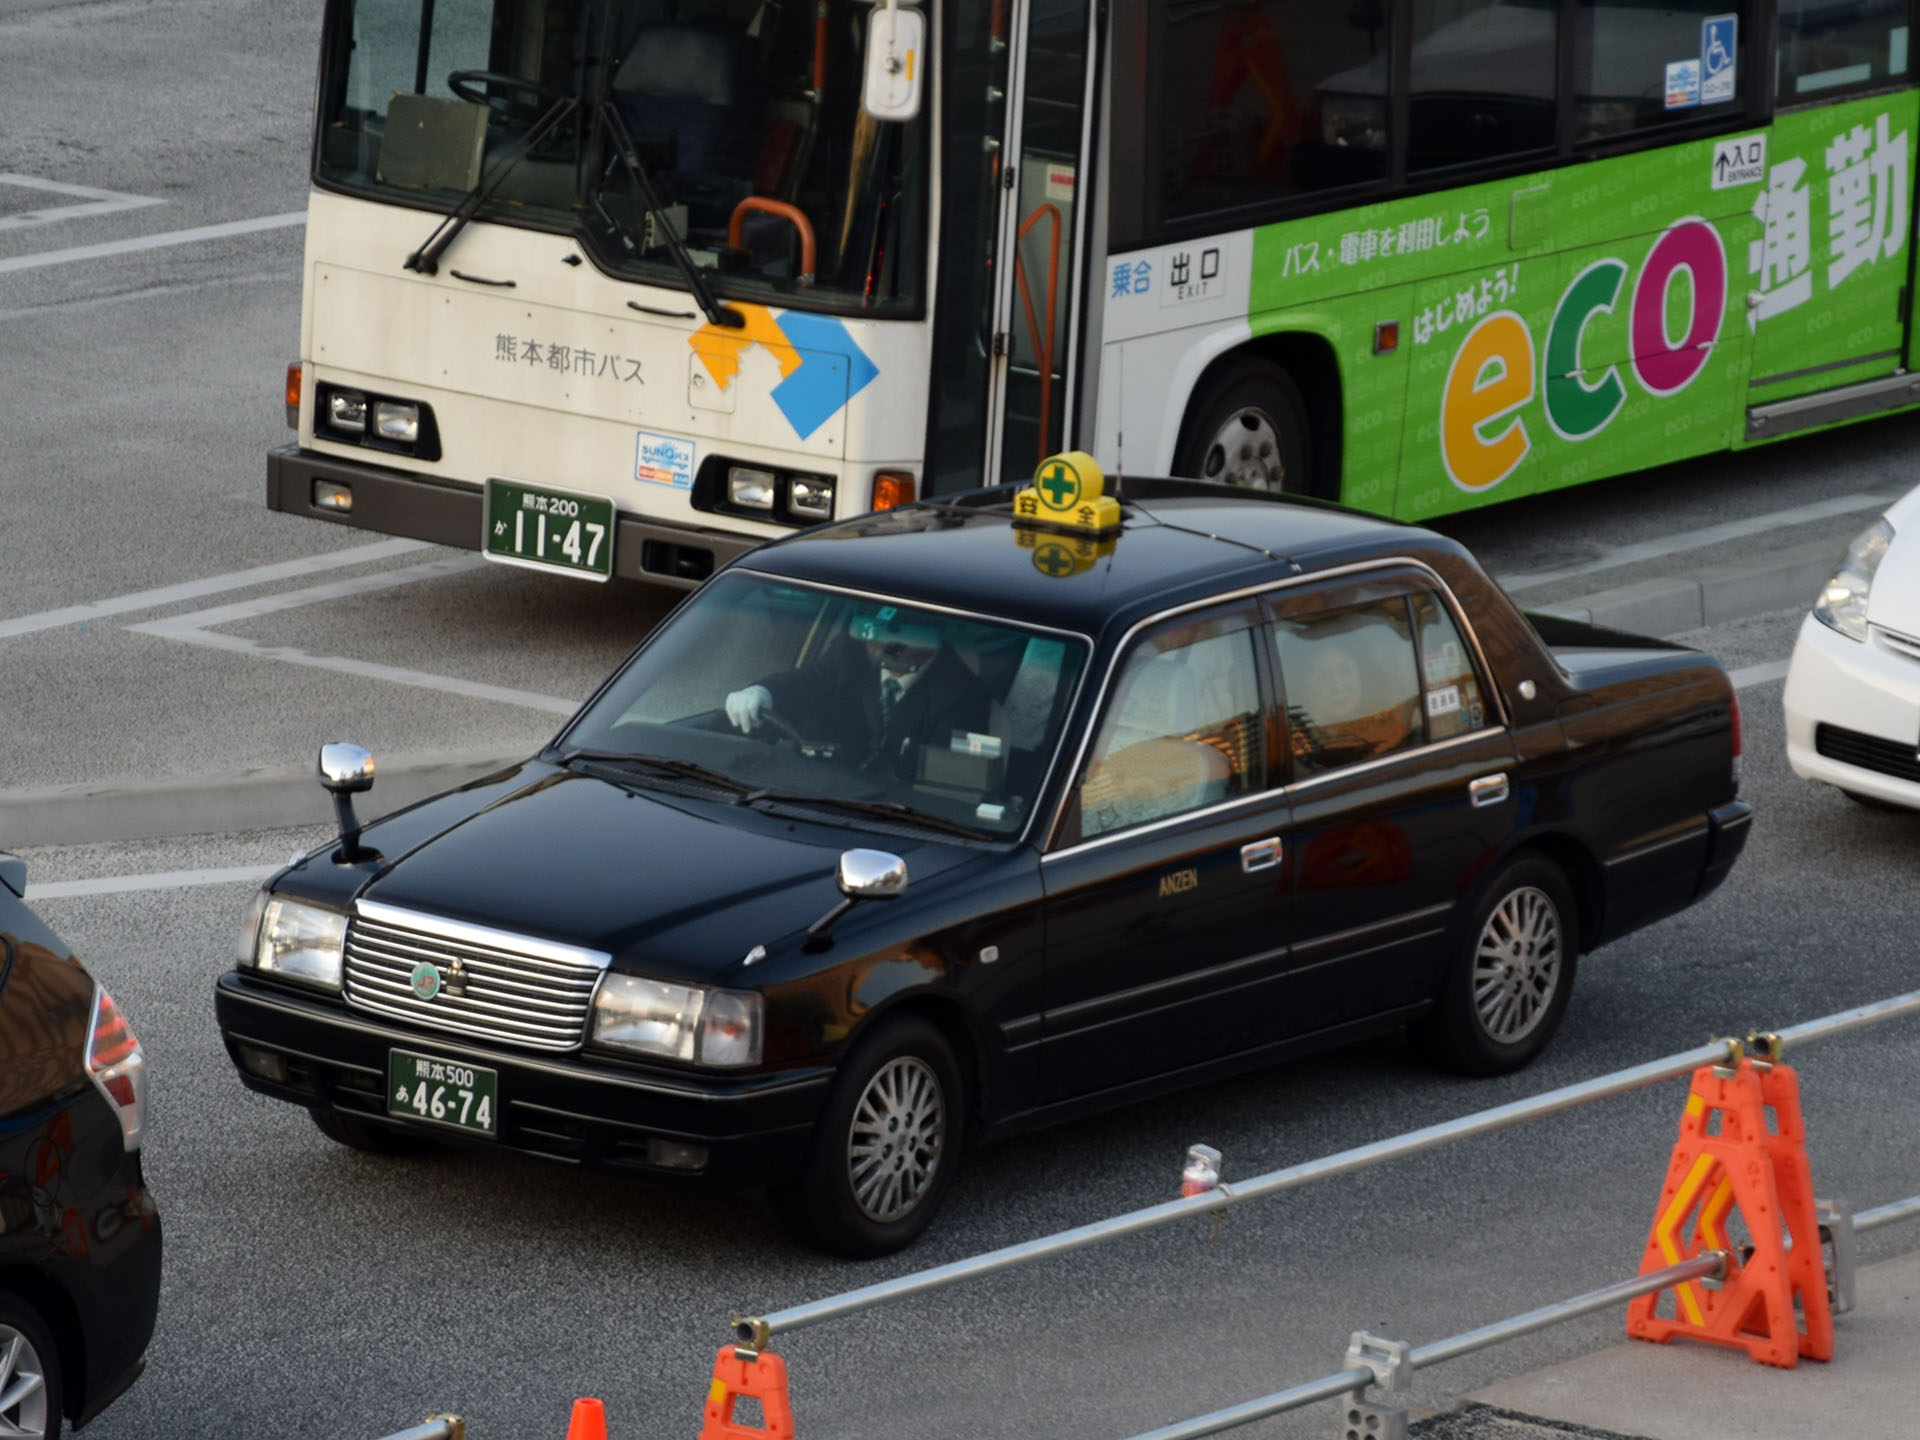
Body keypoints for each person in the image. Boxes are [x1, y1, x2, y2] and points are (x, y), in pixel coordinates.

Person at [724, 609, 992, 780]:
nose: (877, 641)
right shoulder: (851, 652)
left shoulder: (964, 695)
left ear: (934, 634)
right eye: (871, 627)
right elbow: (809, 682)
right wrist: (762, 692)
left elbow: (944, 789)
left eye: (896, 632)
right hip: (817, 792)